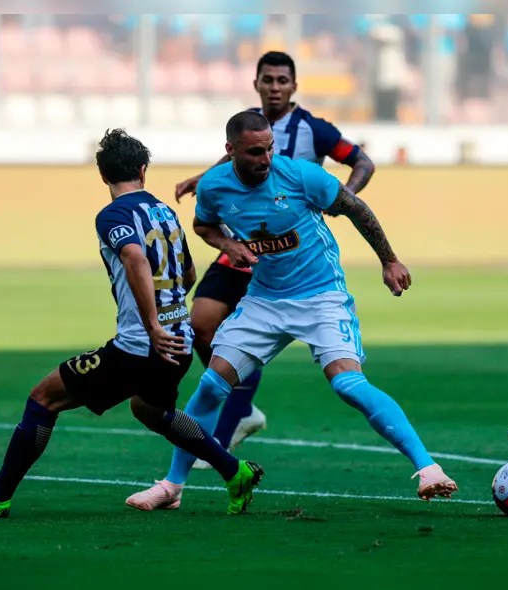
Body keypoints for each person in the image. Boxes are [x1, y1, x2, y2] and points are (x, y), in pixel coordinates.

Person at [125, 111, 457, 511]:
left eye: (269, 149)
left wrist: (389, 260)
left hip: (321, 296)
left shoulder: (300, 176)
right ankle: (172, 487)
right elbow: (203, 225)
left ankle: (428, 468)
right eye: (254, 152)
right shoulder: (214, 186)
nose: (265, 159)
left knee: (347, 385)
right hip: (265, 299)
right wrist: (228, 246)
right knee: (212, 385)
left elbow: (356, 208)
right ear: (230, 151)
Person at [0, 129, 264, 517]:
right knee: (150, 410)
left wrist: (151, 325)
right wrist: (168, 316)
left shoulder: (113, 215)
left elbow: (134, 258)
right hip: (179, 342)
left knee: (44, 398)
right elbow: (188, 274)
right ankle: (234, 470)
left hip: (142, 346)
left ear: (103, 175)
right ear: (143, 170)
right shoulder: (165, 211)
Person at [175, 51, 377, 468]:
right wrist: (203, 178)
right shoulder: (247, 124)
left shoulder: (314, 129)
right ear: (257, 85)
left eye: (282, 80)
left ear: (293, 86)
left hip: (292, 250)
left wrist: (342, 200)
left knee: (248, 333)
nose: (274, 87)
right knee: (201, 324)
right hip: (244, 245)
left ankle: (230, 419)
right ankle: (241, 404)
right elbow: (232, 163)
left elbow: (362, 161)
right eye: (267, 80)